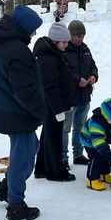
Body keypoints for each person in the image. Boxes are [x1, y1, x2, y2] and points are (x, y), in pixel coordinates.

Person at [0, 5, 47, 220]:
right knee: (24, 159)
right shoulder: (18, 51)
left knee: (32, 148)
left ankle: (5, 188)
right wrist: (44, 111)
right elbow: (26, 91)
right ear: (24, 27)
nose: (35, 34)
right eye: (33, 29)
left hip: (6, 109)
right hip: (17, 112)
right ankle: (15, 205)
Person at [32, 22, 77, 181]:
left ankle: (42, 169)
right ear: (55, 41)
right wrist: (58, 110)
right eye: (64, 42)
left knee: (48, 137)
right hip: (52, 106)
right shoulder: (49, 58)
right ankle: (55, 172)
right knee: (54, 139)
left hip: (53, 105)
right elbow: (50, 86)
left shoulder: (54, 54)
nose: (66, 45)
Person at [62, 20, 98, 167]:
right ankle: (63, 157)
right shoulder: (64, 50)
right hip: (70, 97)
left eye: (82, 36)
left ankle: (78, 154)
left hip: (84, 96)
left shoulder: (85, 49)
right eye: (77, 36)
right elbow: (64, 72)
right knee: (65, 128)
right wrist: (77, 80)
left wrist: (94, 76)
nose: (80, 39)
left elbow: (93, 66)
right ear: (70, 35)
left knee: (80, 127)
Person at [81, 97, 111, 191]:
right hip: (90, 141)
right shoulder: (96, 124)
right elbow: (99, 144)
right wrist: (110, 156)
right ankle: (92, 179)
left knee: (105, 157)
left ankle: (105, 175)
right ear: (108, 115)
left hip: (101, 140)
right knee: (97, 158)